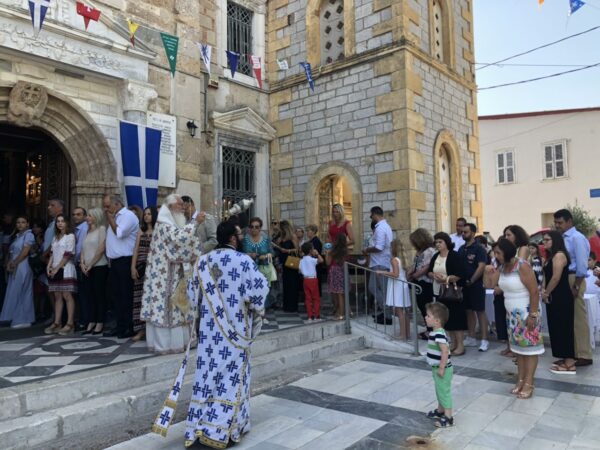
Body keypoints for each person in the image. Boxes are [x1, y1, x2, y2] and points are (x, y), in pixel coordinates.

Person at [183, 220, 268, 448]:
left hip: (209, 333)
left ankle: (200, 425)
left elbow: (190, 296)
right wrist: (257, 310)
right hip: (235, 332)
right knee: (231, 378)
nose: (240, 238)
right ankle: (225, 429)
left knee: (208, 376)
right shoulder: (243, 261)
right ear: (232, 238)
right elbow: (259, 292)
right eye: (239, 235)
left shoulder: (202, 262)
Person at [141, 194, 204, 354]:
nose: (183, 207)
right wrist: (195, 223)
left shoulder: (170, 223)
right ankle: (167, 344)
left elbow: (182, 242)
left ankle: (181, 341)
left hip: (174, 272)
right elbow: (180, 240)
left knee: (178, 305)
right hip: (164, 276)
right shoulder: (164, 224)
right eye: (180, 205)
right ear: (170, 207)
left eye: (183, 205)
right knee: (169, 307)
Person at [485, 238, 543, 399]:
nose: (496, 256)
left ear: (507, 251)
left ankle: (529, 383)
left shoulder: (522, 265)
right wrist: (486, 272)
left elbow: (534, 291)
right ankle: (521, 380)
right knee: (519, 350)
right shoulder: (502, 267)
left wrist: (533, 314)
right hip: (512, 316)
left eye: (498, 253)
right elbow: (490, 285)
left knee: (530, 350)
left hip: (526, 313)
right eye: (494, 253)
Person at [554, 208, 593, 366]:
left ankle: (583, 354)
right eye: (556, 223)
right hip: (565, 277)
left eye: (560, 222)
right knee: (567, 318)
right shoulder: (563, 238)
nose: (557, 225)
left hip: (574, 278)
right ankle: (571, 353)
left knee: (578, 317)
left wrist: (576, 284)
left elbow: (582, 265)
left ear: (569, 221)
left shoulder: (577, 238)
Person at [102, 194, 140, 339]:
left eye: (108, 206)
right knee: (116, 296)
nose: (106, 209)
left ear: (117, 204)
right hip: (115, 262)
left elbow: (119, 233)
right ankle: (120, 326)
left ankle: (129, 327)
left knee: (125, 295)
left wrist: (110, 219)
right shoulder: (116, 216)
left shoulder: (127, 216)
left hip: (125, 261)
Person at [541, 231, 576, 374]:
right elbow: (546, 275)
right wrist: (544, 290)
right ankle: (563, 357)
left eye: (547, 240)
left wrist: (546, 292)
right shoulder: (550, 256)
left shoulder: (559, 255)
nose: (544, 242)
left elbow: (556, 277)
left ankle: (570, 363)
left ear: (555, 240)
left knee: (563, 327)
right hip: (553, 295)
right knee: (556, 327)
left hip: (561, 296)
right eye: (543, 240)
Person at [428, 232, 467, 356]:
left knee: (456, 319)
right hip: (439, 292)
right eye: (436, 242)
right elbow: (429, 271)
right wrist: (433, 275)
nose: (438, 244)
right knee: (447, 319)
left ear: (446, 242)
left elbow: (461, 274)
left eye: (440, 242)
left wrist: (446, 279)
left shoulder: (454, 255)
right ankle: (453, 344)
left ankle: (460, 346)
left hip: (452, 293)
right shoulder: (436, 256)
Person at [45, 214, 78, 335]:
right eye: (58, 221)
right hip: (55, 268)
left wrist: (57, 268)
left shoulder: (70, 236)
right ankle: (57, 322)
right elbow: (52, 254)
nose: (60, 223)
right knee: (57, 296)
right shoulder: (55, 237)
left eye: (62, 221)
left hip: (66, 268)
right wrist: (49, 266)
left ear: (67, 223)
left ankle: (70, 323)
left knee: (67, 295)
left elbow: (68, 254)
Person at [0, 216, 35, 328]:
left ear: (27, 224)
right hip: (15, 264)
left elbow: (25, 252)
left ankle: (24, 319)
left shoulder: (29, 235)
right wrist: (10, 262)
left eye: (23, 222)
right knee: (15, 290)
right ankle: (16, 317)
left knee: (23, 290)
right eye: (18, 222)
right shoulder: (17, 236)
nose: (20, 224)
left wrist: (14, 262)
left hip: (23, 265)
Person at [459, 223, 489, 352]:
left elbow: (481, 266)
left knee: (480, 311)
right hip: (464, 285)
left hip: (476, 285)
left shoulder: (479, 249)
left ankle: (484, 339)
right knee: (468, 311)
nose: (463, 234)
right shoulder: (461, 249)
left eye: (465, 232)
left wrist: (472, 280)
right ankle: (471, 337)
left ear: (472, 233)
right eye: (462, 232)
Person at [79, 208, 109, 335]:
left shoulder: (101, 229)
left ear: (96, 216)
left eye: (90, 215)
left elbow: (101, 248)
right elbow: (83, 249)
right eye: (87, 216)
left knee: (99, 295)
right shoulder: (87, 231)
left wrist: (91, 264)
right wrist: (82, 263)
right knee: (89, 295)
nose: (87, 218)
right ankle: (91, 320)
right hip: (87, 267)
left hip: (99, 266)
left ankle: (100, 321)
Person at [425, 302, 454, 428]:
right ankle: (440, 410)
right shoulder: (435, 332)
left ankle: (448, 417)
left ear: (437, 321)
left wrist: (441, 368)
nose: (425, 317)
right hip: (437, 368)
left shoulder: (439, 334)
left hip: (443, 369)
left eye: (428, 316)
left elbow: (445, 351)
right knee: (439, 390)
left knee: (444, 392)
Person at [130, 206, 157, 341]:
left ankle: (151, 329)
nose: (146, 216)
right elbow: (135, 250)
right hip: (140, 267)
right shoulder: (141, 231)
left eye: (149, 214)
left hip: (153, 268)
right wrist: (133, 267)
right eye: (145, 214)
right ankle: (140, 329)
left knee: (151, 298)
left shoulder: (158, 231)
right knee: (139, 298)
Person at [377, 239, 411, 340]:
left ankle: (402, 335)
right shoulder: (403, 260)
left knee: (399, 311)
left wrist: (382, 272)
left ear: (393, 248)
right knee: (405, 311)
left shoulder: (394, 260)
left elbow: (395, 274)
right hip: (403, 285)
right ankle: (407, 334)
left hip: (397, 286)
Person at [363, 207, 393, 321]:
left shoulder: (380, 228)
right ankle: (384, 310)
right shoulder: (385, 226)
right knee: (372, 287)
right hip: (378, 262)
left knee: (383, 289)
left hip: (380, 263)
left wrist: (367, 250)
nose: (371, 217)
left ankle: (387, 315)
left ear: (375, 214)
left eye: (371, 215)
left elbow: (379, 247)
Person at [407, 228, 436, 339]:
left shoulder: (430, 251)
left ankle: (431, 330)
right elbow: (416, 264)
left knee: (426, 307)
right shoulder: (420, 251)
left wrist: (415, 275)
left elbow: (427, 266)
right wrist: (410, 273)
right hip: (417, 281)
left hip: (425, 282)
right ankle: (429, 329)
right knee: (421, 305)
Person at [272, 220, 299, 313]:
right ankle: (286, 306)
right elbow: (277, 246)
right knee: (286, 284)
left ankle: (292, 306)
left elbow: (297, 250)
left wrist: (287, 251)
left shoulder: (292, 236)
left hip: (291, 263)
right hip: (283, 263)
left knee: (292, 284)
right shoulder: (281, 237)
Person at [72, 206, 89, 331]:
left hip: (82, 263)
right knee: (82, 293)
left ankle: (84, 320)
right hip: (80, 262)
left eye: (78, 214)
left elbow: (80, 248)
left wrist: (74, 261)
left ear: (84, 216)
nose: (75, 217)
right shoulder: (78, 229)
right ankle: (83, 319)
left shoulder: (83, 228)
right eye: (74, 214)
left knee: (83, 294)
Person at [300, 241, 324, 321]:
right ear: (310, 250)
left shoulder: (301, 260)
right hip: (313, 279)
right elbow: (321, 260)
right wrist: (317, 254)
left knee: (308, 298)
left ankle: (310, 316)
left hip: (305, 279)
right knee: (316, 298)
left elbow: (300, 270)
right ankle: (317, 315)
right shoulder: (312, 260)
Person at [327, 233, 348, 320]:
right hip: (343, 271)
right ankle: (345, 312)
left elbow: (328, 262)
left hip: (335, 271)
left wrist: (327, 253)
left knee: (337, 294)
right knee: (342, 294)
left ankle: (340, 314)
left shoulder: (333, 251)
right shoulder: (345, 250)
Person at [305, 224, 325, 296]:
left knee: (316, 286)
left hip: (315, 266)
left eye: (308, 231)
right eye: (306, 231)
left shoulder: (316, 241)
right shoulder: (311, 241)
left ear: (313, 231)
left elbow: (314, 254)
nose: (307, 232)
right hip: (312, 266)